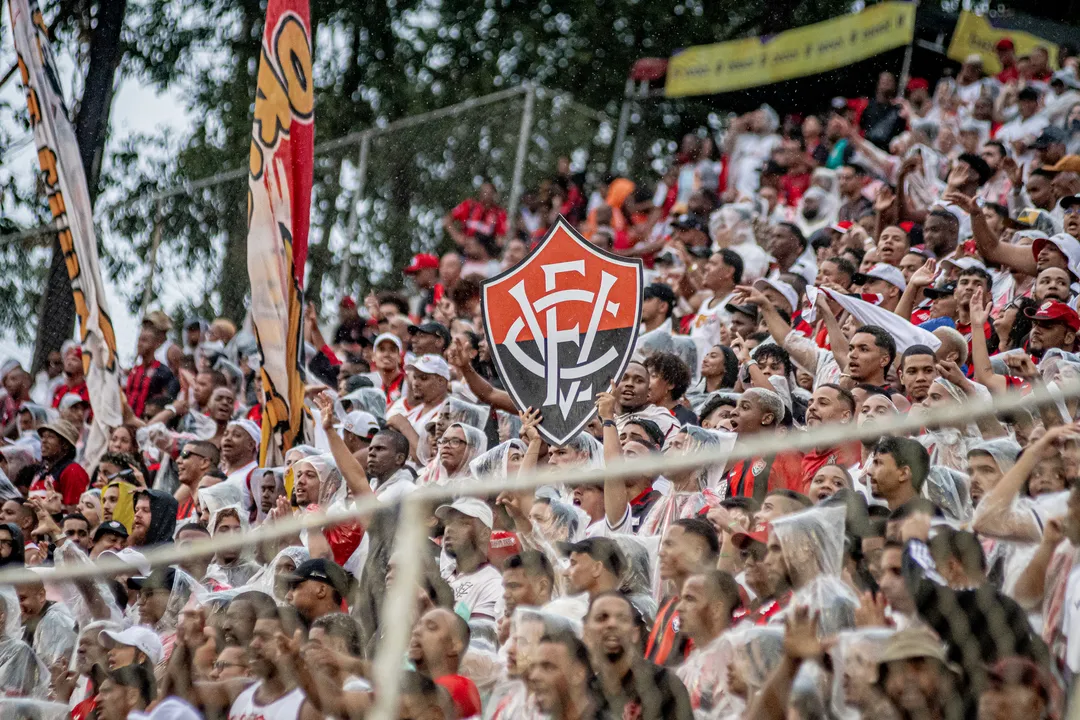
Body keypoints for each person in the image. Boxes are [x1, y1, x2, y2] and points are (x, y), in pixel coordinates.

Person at [583, 592, 694, 720]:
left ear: (635, 633)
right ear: (586, 633)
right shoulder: (582, 693)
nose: (612, 624)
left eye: (622, 618)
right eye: (602, 618)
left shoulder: (666, 686)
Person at [434, 497, 503, 621]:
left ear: (485, 534)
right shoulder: (443, 575)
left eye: (463, 523)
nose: (449, 529)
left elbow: (478, 636)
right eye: (448, 522)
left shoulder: (492, 583)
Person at [407, 607, 483, 719]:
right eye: (417, 625)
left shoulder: (459, 686)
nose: (416, 631)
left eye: (431, 627)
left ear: (454, 645)